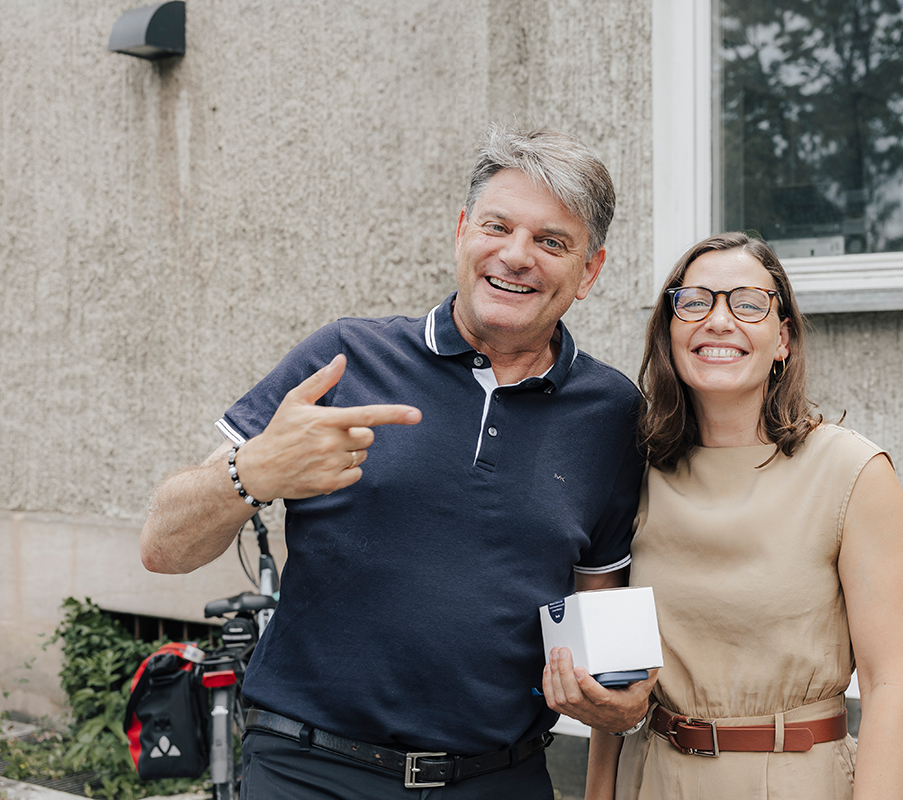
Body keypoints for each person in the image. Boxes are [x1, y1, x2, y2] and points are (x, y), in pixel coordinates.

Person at [140, 125, 654, 799]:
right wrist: (253, 471)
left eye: (551, 241)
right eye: (497, 226)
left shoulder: (612, 412)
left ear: (590, 270)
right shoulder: (344, 359)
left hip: (499, 778)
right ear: (462, 231)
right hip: (308, 769)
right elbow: (163, 548)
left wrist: (626, 703)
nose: (516, 255)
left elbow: (602, 616)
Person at [577, 232, 903, 800]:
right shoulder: (636, 473)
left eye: (747, 303)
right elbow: (616, 679)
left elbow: (891, 687)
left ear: (782, 337)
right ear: (669, 329)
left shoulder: (852, 472)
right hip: (654, 778)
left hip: (795, 780)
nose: (718, 320)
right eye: (694, 302)